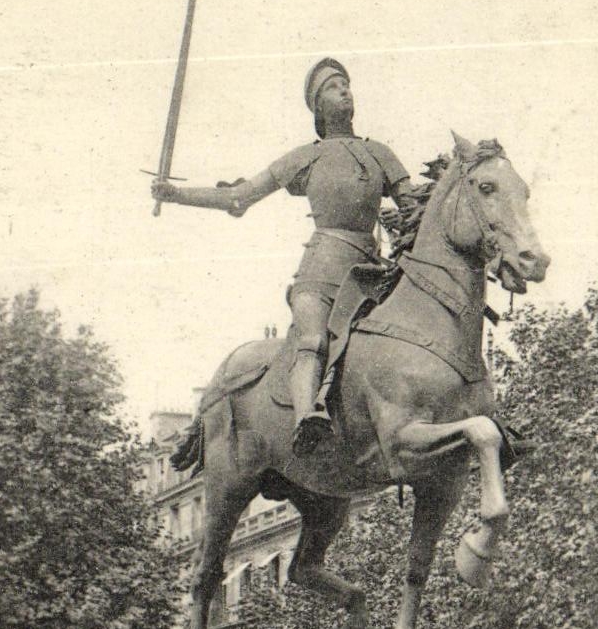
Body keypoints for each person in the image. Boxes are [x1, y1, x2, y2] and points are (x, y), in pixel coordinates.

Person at [152, 58, 413, 453]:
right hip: (321, 270)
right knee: (311, 339)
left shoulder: (380, 153)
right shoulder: (303, 158)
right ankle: (306, 417)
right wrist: (178, 196)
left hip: (372, 276)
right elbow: (239, 197)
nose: (345, 91)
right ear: (317, 106)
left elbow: (413, 208)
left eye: (346, 84)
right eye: (332, 87)